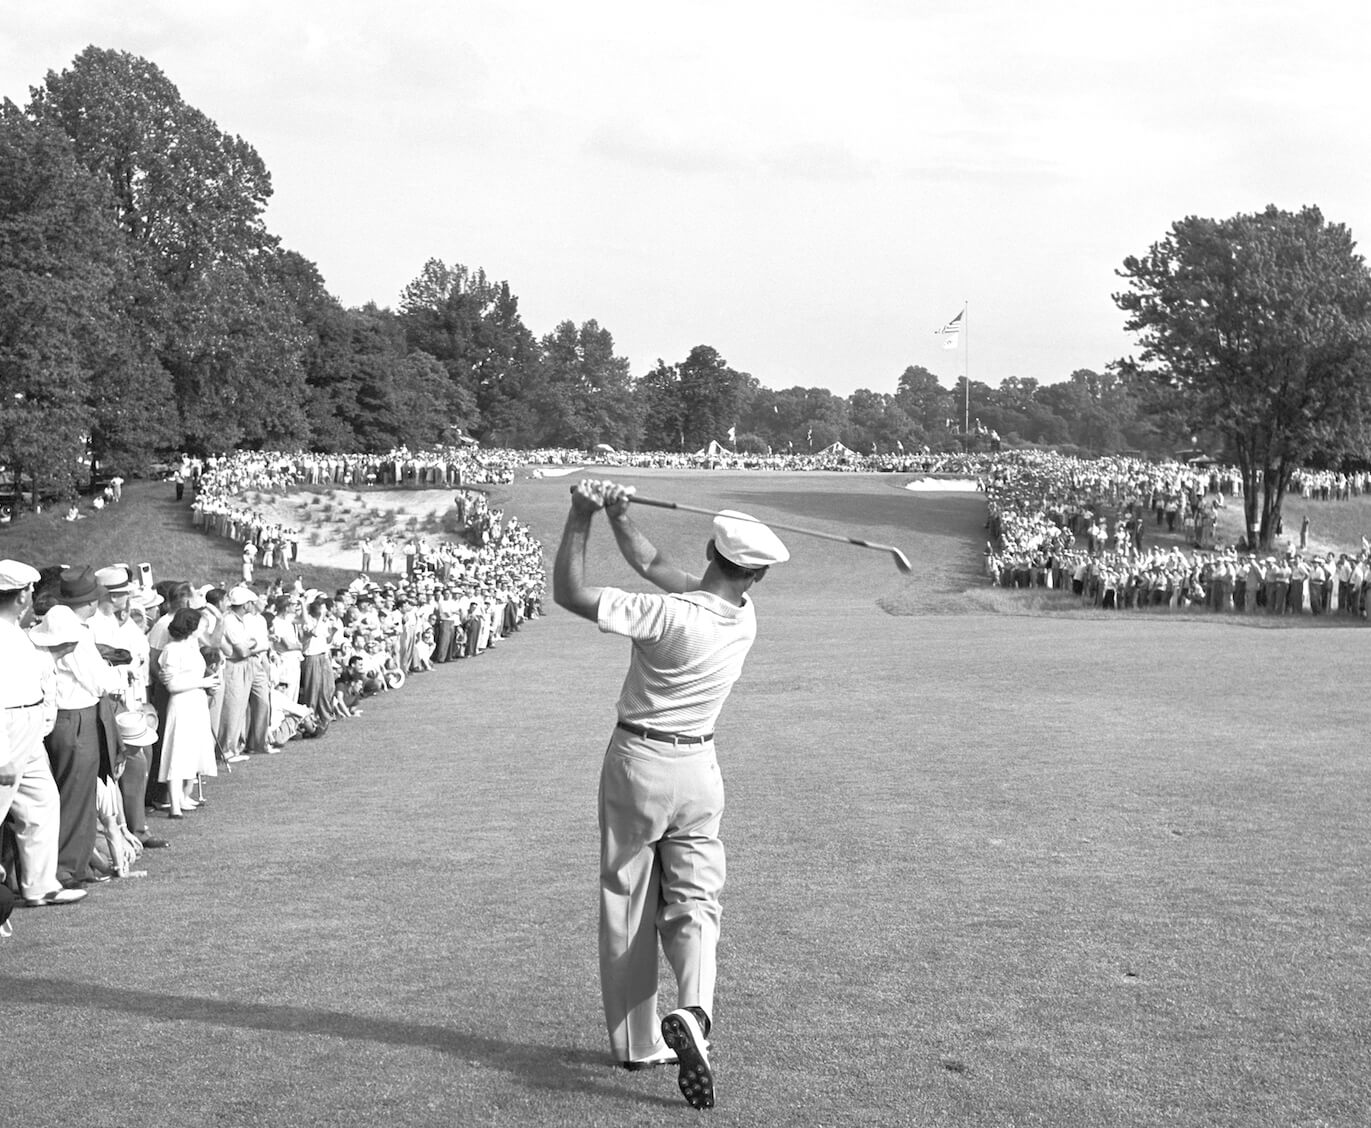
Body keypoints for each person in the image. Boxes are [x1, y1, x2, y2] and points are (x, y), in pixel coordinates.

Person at [552, 479, 789, 1111]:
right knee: (695, 900)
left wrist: (583, 517)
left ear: (712, 552)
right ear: (756, 576)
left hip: (639, 761)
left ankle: (637, 1042)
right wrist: (623, 517)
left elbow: (570, 593)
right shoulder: (744, 618)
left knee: (629, 899)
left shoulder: (665, 615)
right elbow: (653, 563)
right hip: (700, 769)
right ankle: (696, 1013)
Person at [0, 560, 86, 909]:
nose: (33, 596)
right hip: (9, 728)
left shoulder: (15, 634)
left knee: (42, 801)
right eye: (30, 591)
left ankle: (39, 885)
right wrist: (2, 754)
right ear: (22, 596)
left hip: (28, 727)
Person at [157, 608, 220, 818]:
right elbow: (172, 684)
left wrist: (208, 684)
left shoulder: (192, 647)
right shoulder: (171, 649)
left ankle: (184, 797)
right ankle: (174, 804)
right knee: (178, 750)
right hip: (182, 703)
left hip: (196, 701)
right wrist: (202, 682)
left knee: (192, 749)